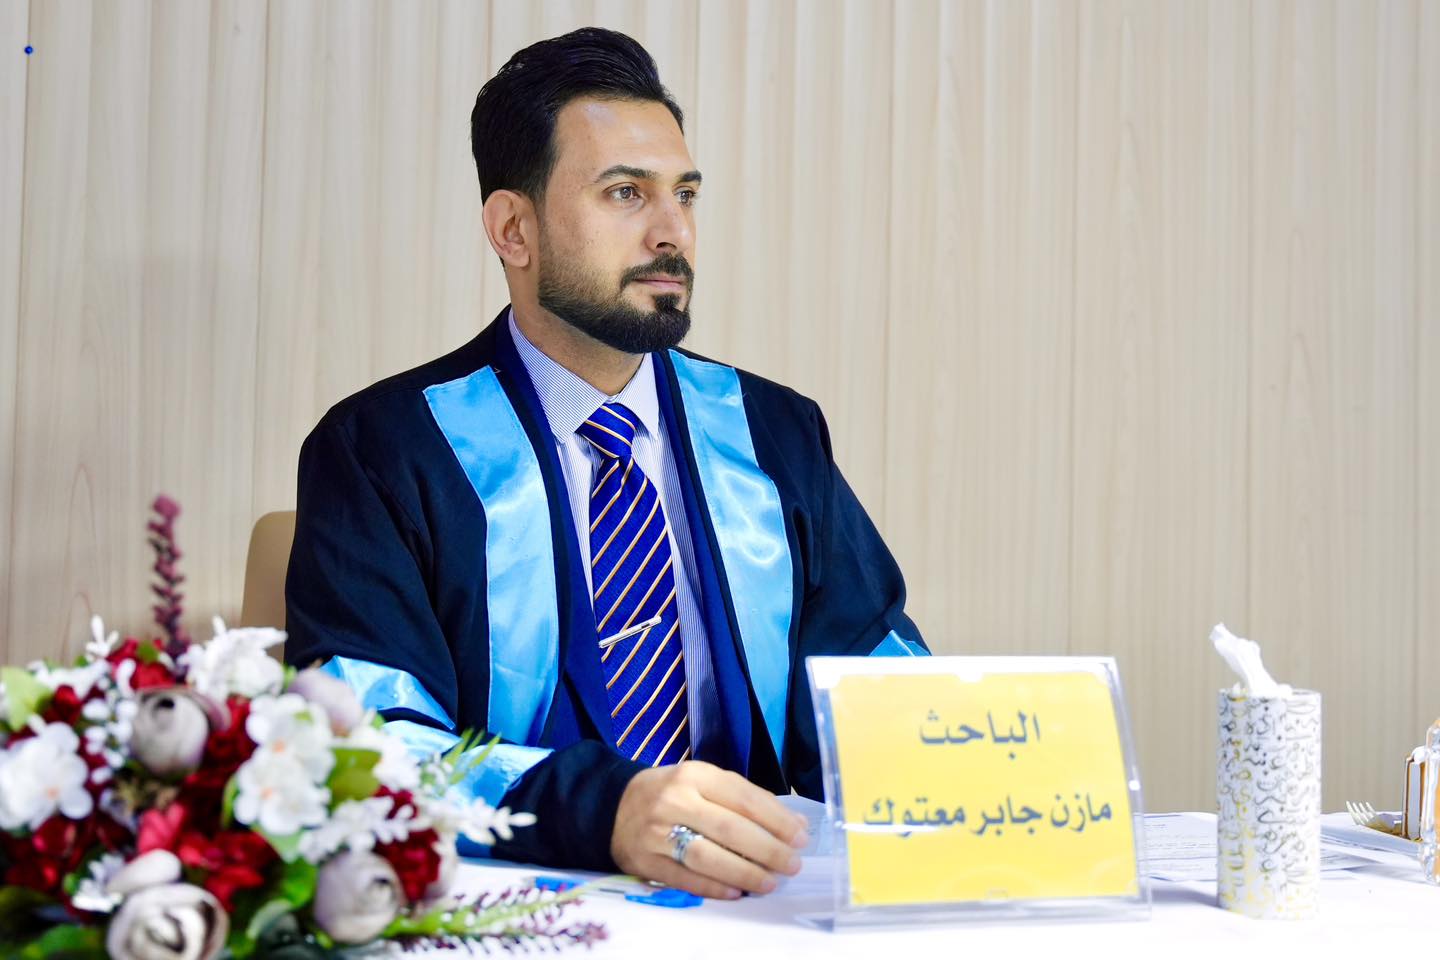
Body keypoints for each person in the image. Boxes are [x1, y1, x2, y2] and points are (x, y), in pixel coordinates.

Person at [284, 27, 926, 900]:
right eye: (626, 193)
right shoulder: (384, 450)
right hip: (519, 906)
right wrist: (604, 811)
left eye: (684, 194)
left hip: (758, 901)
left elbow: (873, 680)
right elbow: (368, 742)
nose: (673, 233)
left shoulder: (773, 432)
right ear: (514, 229)